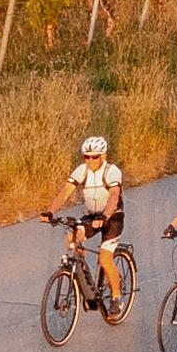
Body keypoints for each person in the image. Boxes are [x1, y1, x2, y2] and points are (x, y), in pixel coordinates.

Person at [54, 133, 132, 310]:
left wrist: (105, 216)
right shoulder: (82, 170)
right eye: (86, 157)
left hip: (112, 217)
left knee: (105, 259)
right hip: (91, 215)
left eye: (94, 157)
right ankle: (84, 278)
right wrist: (50, 211)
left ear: (103, 156)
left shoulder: (112, 171)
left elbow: (113, 196)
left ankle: (116, 297)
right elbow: (65, 192)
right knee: (71, 237)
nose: (90, 160)